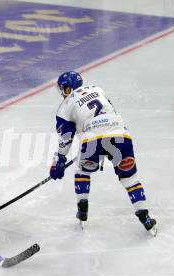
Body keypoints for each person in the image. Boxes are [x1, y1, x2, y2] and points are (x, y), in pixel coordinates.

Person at [49, 71, 157, 235]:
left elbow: (65, 138)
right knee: (129, 178)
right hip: (120, 135)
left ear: (68, 88)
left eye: (63, 89)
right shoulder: (97, 89)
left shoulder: (65, 106)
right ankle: (145, 217)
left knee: (83, 171)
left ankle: (82, 210)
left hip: (92, 140)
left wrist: (59, 161)